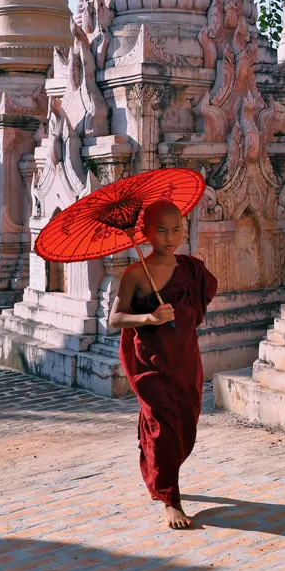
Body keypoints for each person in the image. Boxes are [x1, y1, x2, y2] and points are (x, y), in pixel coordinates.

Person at [109, 200, 218, 530]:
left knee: (184, 423)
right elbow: (115, 319)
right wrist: (149, 316)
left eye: (176, 230)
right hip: (151, 361)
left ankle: (157, 468)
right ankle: (171, 499)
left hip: (185, 358)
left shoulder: (190, 268)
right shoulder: (134, 274)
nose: (169, 238)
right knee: (163, 426)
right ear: (144, 233)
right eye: (160, 230)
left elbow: (201, 298)